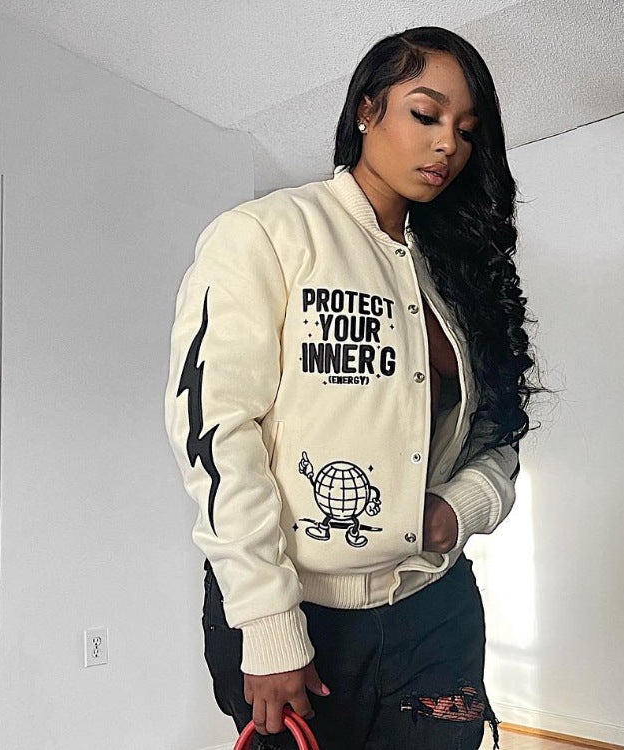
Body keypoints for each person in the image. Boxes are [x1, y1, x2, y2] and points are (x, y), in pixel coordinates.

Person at [164, 25, 544, 750]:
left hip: (436, 612)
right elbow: (216, 434)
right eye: (425, 114)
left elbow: (497, 431)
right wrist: (269, 625)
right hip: (303, 620)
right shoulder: (267, 233)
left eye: (467, 131)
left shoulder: (457, 270)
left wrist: (459, 507)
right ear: (367, 109)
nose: (447, 144)